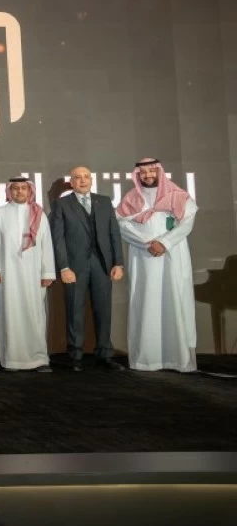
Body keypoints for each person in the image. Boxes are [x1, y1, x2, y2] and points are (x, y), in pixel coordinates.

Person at [116, 158, 198, 372]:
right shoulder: (131, 198)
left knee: (175, 300)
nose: (148, 175)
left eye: (152, 171)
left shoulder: (178, 196)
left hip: (173, 256)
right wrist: (146, 242)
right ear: (137, 175)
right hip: (143, 258)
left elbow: (186, 223)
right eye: (143, 173)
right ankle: (146, 359)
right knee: (145, 302)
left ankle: (178, 359)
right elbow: (121, 224)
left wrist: (164, 242)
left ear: (160, 172)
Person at [50, 166, 125, 372]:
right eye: (77, 177)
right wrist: (64, 267)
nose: (82, 181)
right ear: (71, 182)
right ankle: (75, 356)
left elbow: (114, 233)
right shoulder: (62, 204)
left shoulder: (104, 201)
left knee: (104, 310)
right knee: (74, 310)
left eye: (86, 177)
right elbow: (58, 239)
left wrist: (118, 263)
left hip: (102, 265)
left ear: (91, 180)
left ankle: (105, 354)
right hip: (75, 267)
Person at [0, 177, 56, 372]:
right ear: (9, 191)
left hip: (34, 274)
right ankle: (12, 360)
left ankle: (39, 359)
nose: (19, 192)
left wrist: (48, 271)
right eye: (15, 188)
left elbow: (46, 244)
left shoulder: (39, 214)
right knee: (10, 314)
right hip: (7, 274)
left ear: (29, 191)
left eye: (23, 188)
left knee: (35, 315)